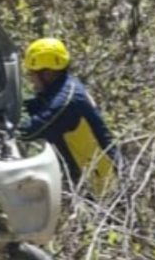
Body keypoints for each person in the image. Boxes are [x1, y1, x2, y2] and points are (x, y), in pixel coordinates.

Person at [18, 38, 117, 196]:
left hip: (102, 187)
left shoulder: (66, 102)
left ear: (47, 73)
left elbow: (28, 132)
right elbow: (34, 106)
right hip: (89, 181)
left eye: (32, 74)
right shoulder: (64, 87)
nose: (31, 80)